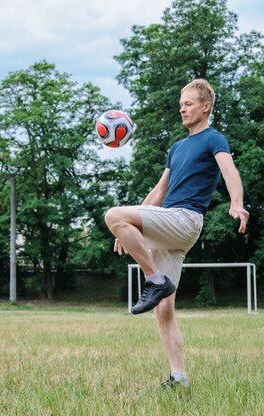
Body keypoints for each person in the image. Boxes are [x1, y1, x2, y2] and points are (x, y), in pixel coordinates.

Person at [104, 79, 249, 389]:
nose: (182, 108)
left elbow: (230, 171)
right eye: (181, 103)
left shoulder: (213, 139)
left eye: (189, 103)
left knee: (112, 213)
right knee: (164, 309)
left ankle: (154, 280)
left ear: (206, 107)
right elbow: (159, 190)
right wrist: (126, 228)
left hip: (185, 219)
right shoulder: (177, 147)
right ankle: (178, 377)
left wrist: (236, 203)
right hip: (169, 224)